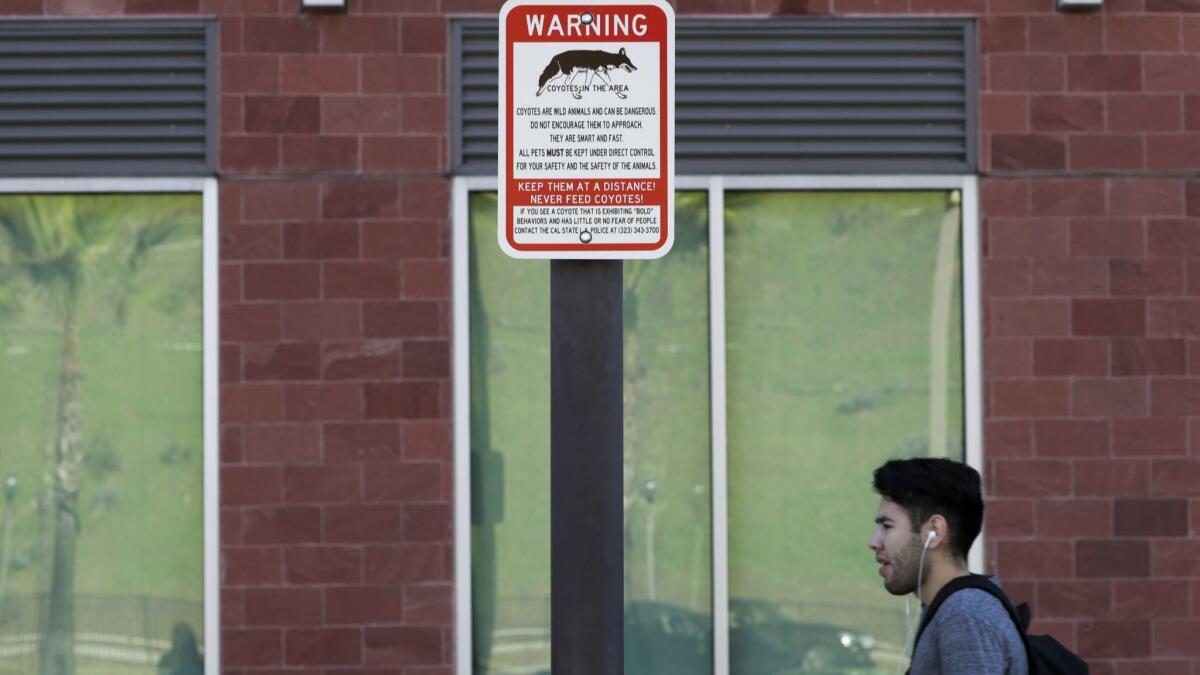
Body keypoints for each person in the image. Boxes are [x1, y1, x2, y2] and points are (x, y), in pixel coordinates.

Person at [869, 457, 1027, 675]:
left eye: (887, 526)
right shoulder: (952, 609)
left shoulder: (963, 614)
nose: (874, 542)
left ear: (934, 531)